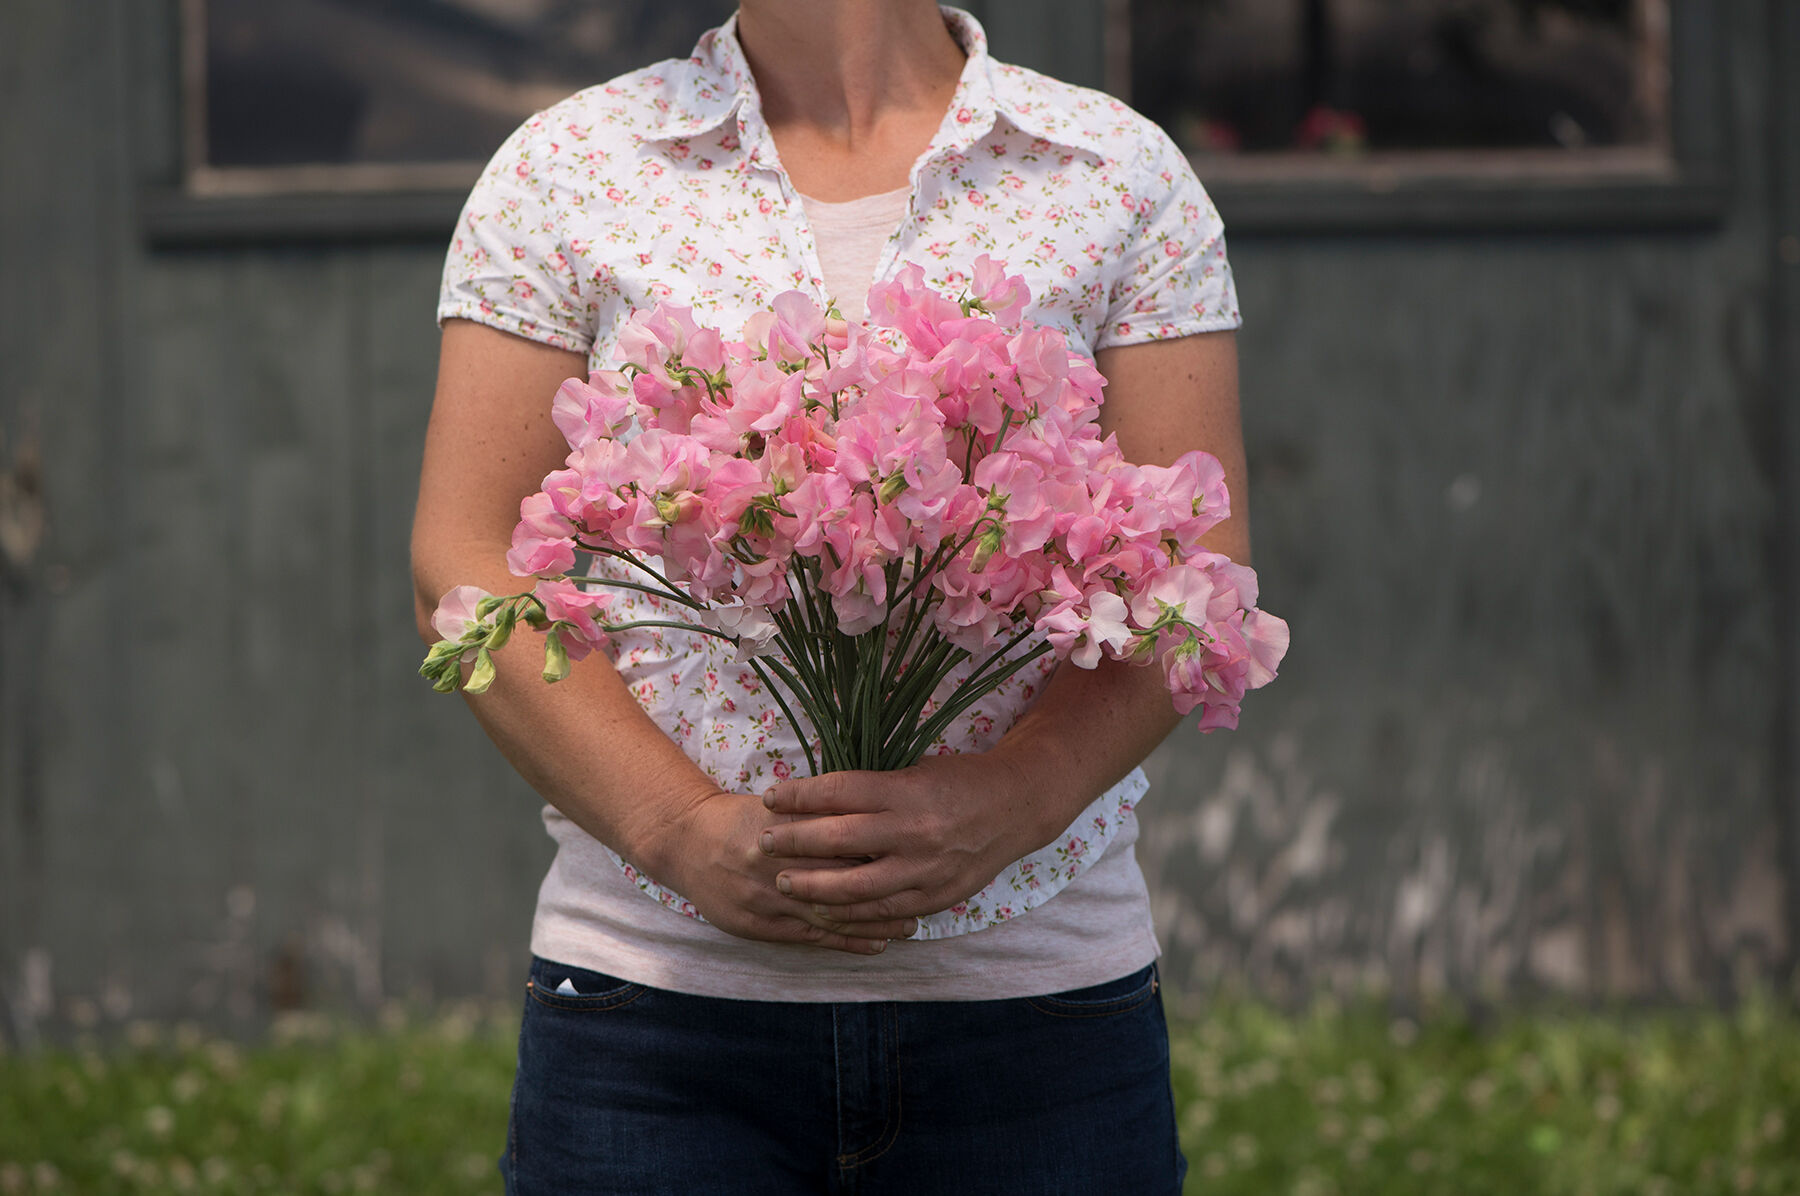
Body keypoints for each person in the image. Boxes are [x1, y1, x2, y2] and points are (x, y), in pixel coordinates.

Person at [412, 2, 1248, 1191]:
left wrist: (1013, 798)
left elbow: (1192, 580)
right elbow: (469, 554)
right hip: (656, 1017)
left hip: (1036, 1019)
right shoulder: (567, 169)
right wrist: (678, 829)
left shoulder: (1111, 173)